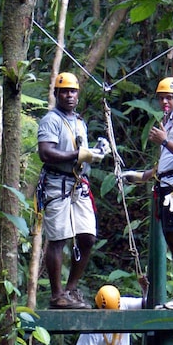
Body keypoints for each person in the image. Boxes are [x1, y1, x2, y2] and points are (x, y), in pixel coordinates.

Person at [121, 76, 173, 310]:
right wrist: (142, 176)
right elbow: (166, 161)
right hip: (167, 183)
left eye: (170, 97)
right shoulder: (169, 123)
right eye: (161, 98)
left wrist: (165, 141)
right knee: (172, 238)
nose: (165, 102)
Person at [37, 72, 110, 309]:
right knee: (59, 238)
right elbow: (46, 153)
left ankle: (71, 289)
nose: (69, 95)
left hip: (79, 184)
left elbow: (82, 153)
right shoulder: (51, 120)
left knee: (87, 237)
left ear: (78, 94)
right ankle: (58, 294)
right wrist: (77, 155)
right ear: (57, 94)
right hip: (57, 183)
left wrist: (97, 153)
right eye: (64, 91)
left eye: (73, 91)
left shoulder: (79, 122)